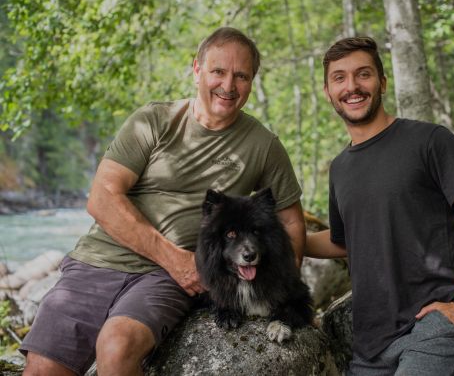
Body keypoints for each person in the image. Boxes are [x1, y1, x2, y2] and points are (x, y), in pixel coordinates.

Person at [20, 27, 306, 376]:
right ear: (197, 69)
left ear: (252, 81)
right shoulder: (153, 120)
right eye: (218, 71)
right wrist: (173, 258)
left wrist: (282, 293)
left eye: (241, 76)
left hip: (166, 279)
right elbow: (101, 198)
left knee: (116, 348)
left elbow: (290, 222)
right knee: (42, 369)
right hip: (101, 260)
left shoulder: (263, 145)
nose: (228, 85)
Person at [305, 37, 454, 375]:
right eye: (339, 78)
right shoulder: (340, 167)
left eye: (363, 74)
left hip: (432, 327)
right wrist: (284, 238)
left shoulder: (428, 140)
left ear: (382, 83)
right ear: (327, 91)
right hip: (371, 345)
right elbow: (345, 240)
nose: (352, 86)